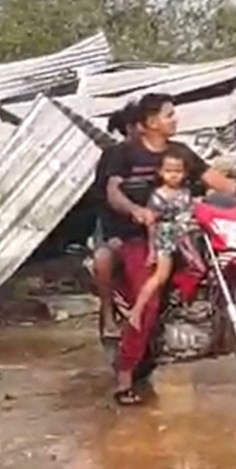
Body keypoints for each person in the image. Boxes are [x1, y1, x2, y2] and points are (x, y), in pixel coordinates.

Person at [96, 93, 236, 406]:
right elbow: (113, 192)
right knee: (149, 297)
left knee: (228, 263)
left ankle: (210, 319)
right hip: (138, 237)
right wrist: (134, 210)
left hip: (182, 231)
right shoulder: (122, 154)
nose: (175, 119)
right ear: (150, 122)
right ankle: (125, 374)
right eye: (169, 114)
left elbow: (212, 178)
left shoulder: (180, 152)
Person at [127, 153, 199, 329]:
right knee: (160, 276)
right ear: (160, 172)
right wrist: (152, 249)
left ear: (185, 173)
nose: (173, 175)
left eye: (178, 171)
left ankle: (185, 304)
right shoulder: (157, 196)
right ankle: (136, 310)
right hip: (166, 237)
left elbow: (192, 214)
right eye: (168, 171)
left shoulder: (186, 193)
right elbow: (151, 224)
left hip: (186, 237)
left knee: (199, 268)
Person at [91, 100, 141, 340]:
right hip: (116, 228)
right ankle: (109, 317)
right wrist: (112, 235)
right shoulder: (112, 156)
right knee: (103, 261)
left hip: (154, 226)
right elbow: (102, 198)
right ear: (130, 128)